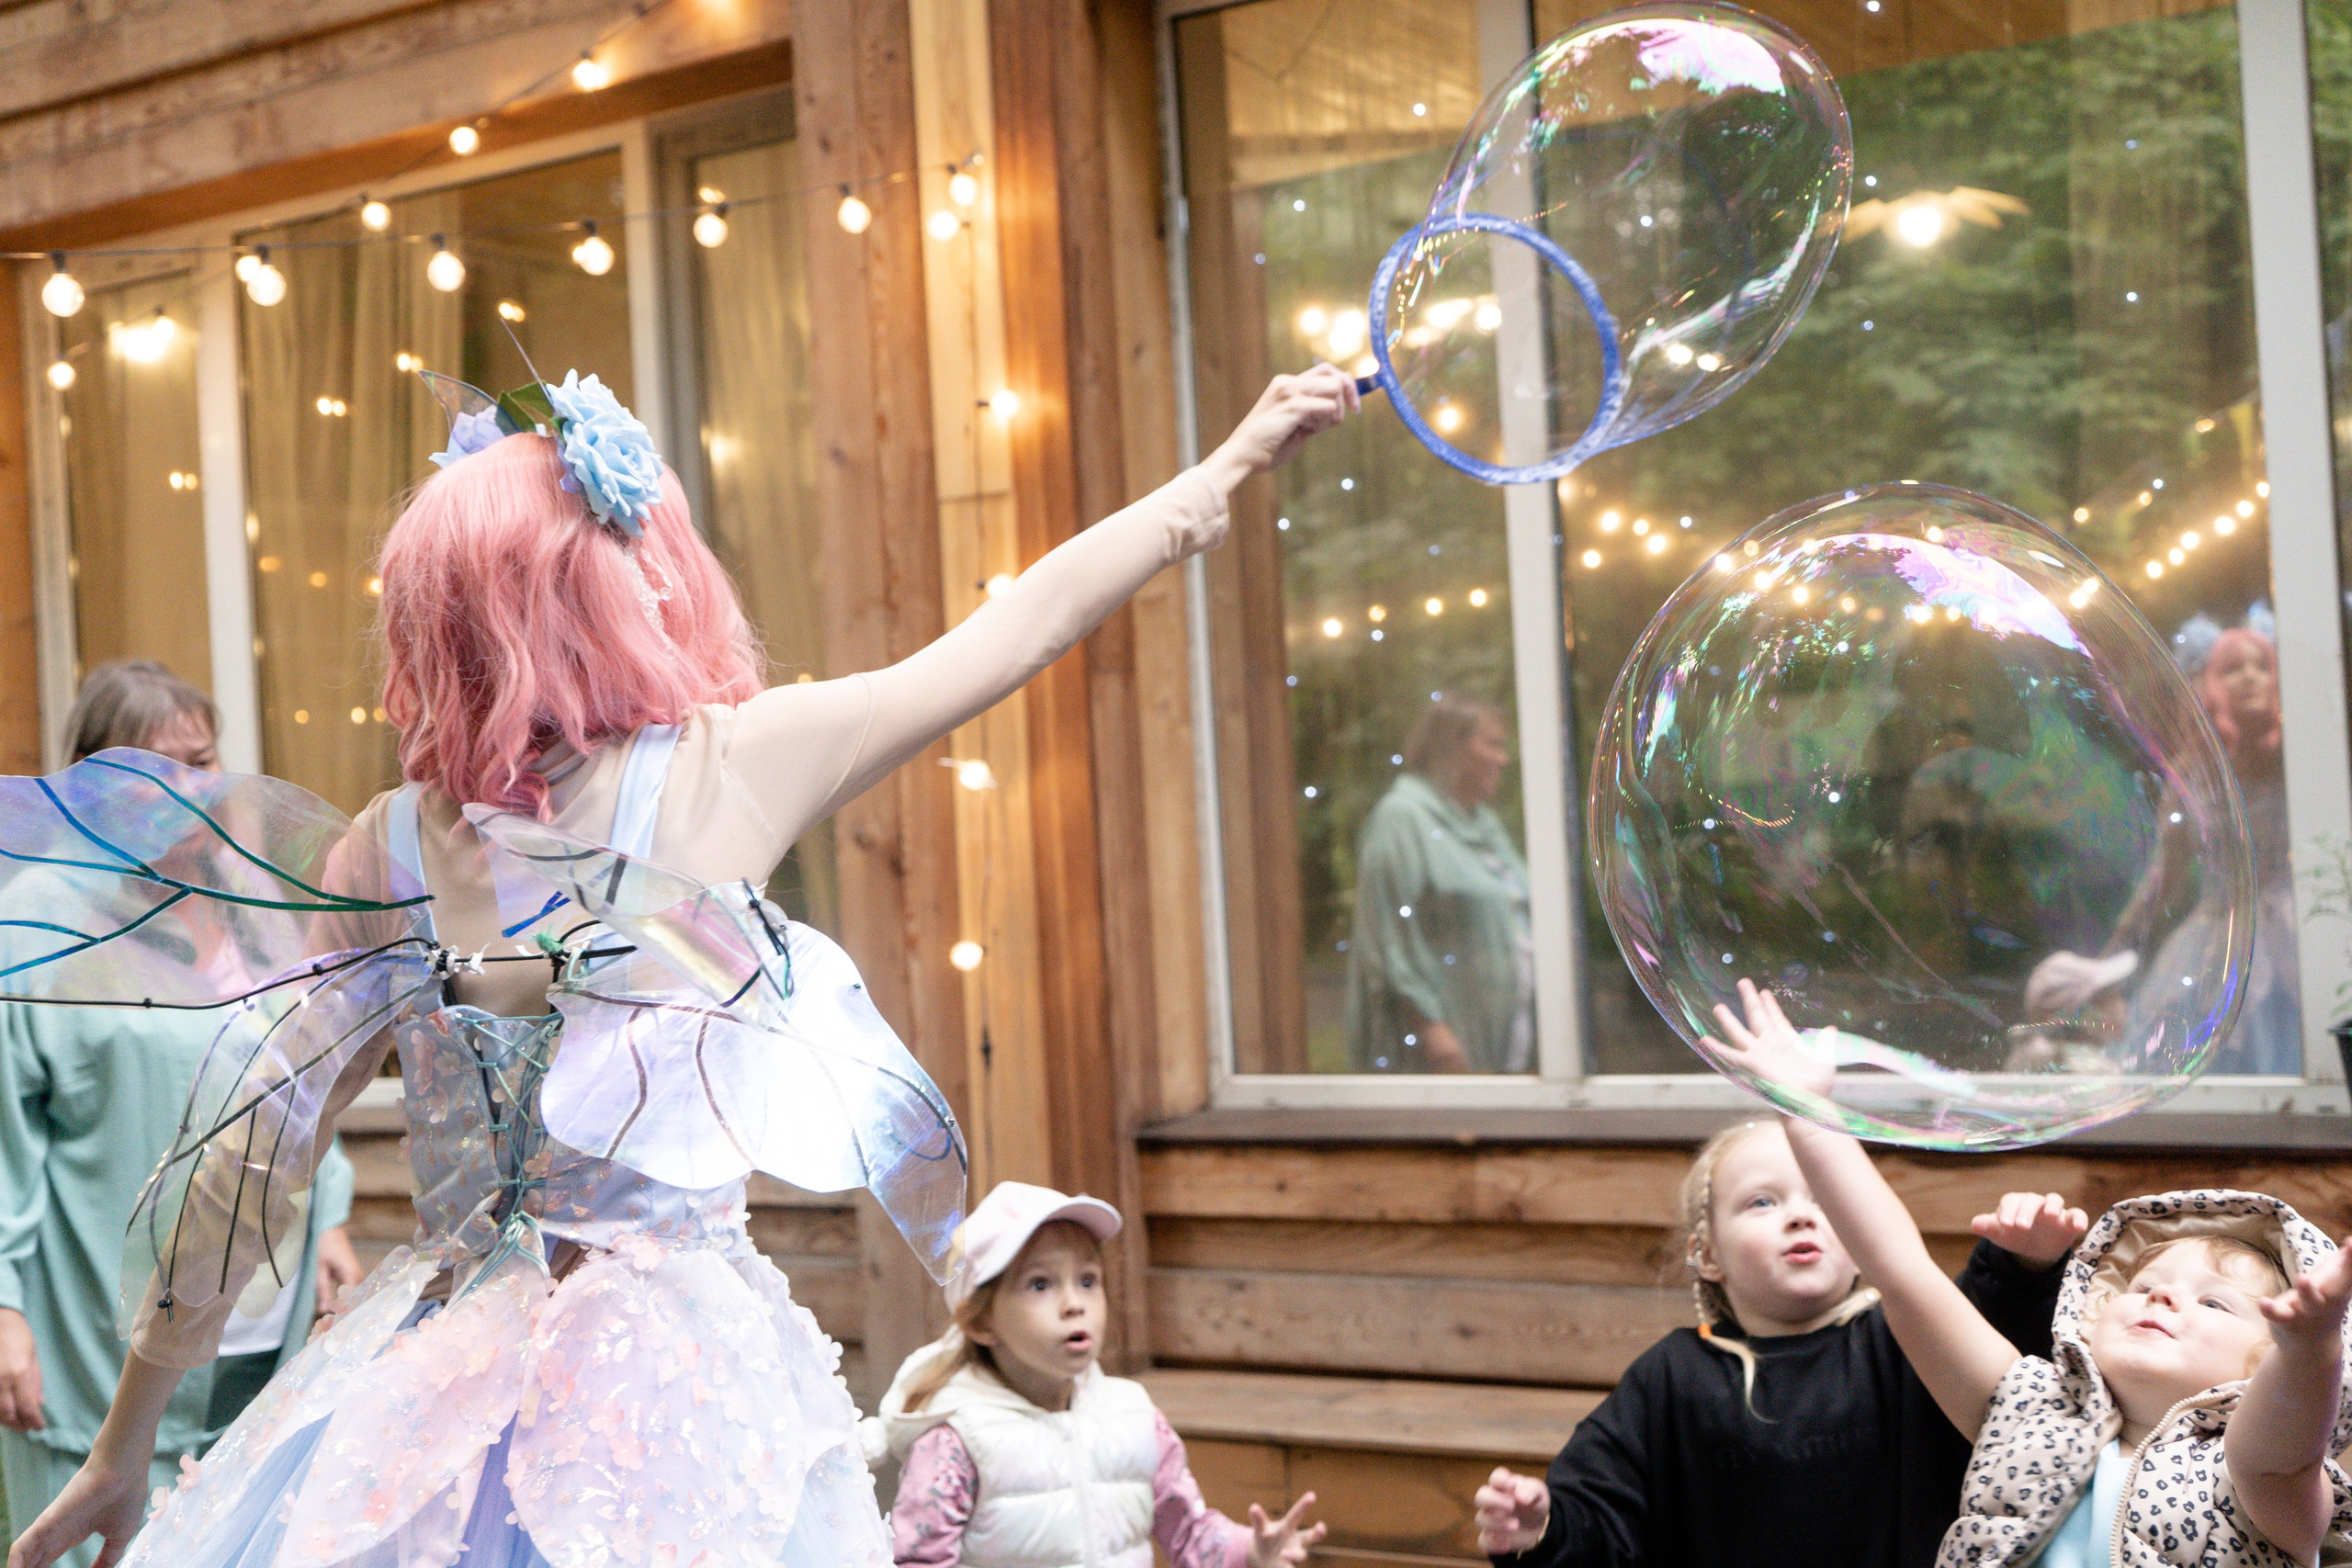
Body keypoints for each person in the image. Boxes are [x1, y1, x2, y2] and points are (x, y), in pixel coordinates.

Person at [7, 362, 1355, 1568]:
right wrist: (1223, 467)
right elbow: (1015, 632)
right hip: (671, 1404)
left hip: (439, 1401)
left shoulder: (392, 845)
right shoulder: (718, 769)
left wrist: (126, 1447)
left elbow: (247, 1160)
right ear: (622, 583)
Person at [1708, 978, 2352, 1568]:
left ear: (2266, 1360)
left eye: (2214, 1303)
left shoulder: (2258, 1479)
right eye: (2144, 1285)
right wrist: (1808, 1112)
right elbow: (1904, 1276)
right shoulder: (2027, 1408)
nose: (2162, 1297)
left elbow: (2286, 1439)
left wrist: (2311, 1346)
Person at [0, 662, 362, 1568]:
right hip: (93, 1338)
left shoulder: (251, 898)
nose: (187, 789)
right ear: (92, 783)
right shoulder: (37, 919)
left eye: (199, 761)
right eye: (152, 770)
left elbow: (305, 1064)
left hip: (257, 1322)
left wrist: (329, 1210)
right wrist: (1, 1306)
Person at [1473, 1114, 2082, 1568]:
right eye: (1762, 1201)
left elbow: (2001, 1365)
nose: (1801, 1215)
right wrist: (1545, 1528)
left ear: (1859, 1233)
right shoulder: (1671, 1376)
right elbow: (1604, 1515)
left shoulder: (1903, 1338)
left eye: (1824, 1199)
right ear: (1707, 1254)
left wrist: (2024, 1267)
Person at [865, 1181, 1325, 1568]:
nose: (1074, 1303)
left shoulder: (1133, 1416)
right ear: (982, 1322)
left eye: (1087, 1280)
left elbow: (1190, 1533)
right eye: (1040, 1284)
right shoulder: (955, 1442)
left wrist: (1251, 1551)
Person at [1344, 694, 1532, 1073]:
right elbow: (1385, 935)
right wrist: (1431, 1030)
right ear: (1452, 748)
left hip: (1507, 1050)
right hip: (1442, 1056)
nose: (1504, 759)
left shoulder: (1484, 825)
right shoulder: (1402, 818)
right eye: (1493, 745)